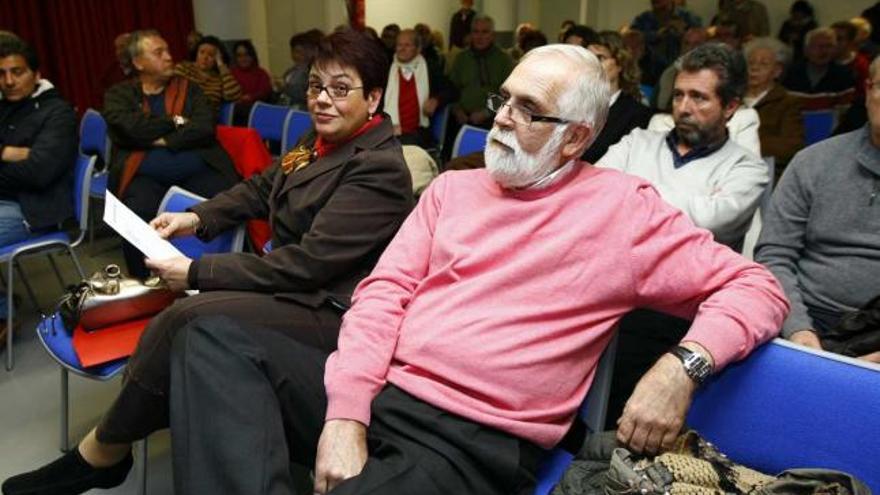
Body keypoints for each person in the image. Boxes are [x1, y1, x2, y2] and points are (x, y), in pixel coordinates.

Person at [165, 44, 788, 495]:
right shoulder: (453, 191)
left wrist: (682, 368)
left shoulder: (623, 211)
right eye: (503, 99)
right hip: (386, 390)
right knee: (209, 336)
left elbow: (756, 285)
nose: (501, 117)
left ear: (575, 138)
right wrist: (346, 413)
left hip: (474, 437)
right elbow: (382, 295)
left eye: (528, 108)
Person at [1, 29, 415, 495]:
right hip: (290, 282)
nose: (322, 100)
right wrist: (194, 218)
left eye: (340, 90)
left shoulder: (378, 167)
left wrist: (196, 272)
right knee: (186, 319)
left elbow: (308, 265)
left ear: (374, 98)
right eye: (316, 86)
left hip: (329, 309)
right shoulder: (321, 137)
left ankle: (101, 453)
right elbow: (262, 187)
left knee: (185, 313)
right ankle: (104, 451)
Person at [755, 56, 880, 364]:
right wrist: (799, 330)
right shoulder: (813, 163)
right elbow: (774, 255)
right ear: (868, 91)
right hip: (804, 316)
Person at [599, 42, 767, 249]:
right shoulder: (636, 142)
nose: (683, 108)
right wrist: (694, 203)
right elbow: (597, 191)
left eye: (698, 97)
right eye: (678, 95)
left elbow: (710, 222)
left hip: (694, 279)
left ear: (730, 107)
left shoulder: (747, 168)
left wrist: (630, 192)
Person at [102, 30, 241, 278]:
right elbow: (129, 129)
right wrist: (176, 121)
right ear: (138, 62)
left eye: (167, 51)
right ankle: (145, 284)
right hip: (144, 177)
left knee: (228, 200)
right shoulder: (119, 95)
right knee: (135, 216)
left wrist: (157, 139)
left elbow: (203, 128)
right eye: (158, 53)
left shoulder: (191, 89)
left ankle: (220, 275)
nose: (168, 57)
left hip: (198, 169)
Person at [0, 37, 77, 349]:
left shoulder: (57, 112)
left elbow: (39, 172)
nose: (8, 81)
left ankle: (2, 315)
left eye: (16, 72)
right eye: (1, 73)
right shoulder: (6, 107)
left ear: (36, 73)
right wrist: (14, 153)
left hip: (37, 209)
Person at [447, 16, 513, 152]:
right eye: (476, 32)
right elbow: (452, 89)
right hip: (462, 120)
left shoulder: (503, 59)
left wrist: (487, 112)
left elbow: (508, 93)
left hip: (493, 121)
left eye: (484, 32)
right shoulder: (461, 59)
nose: (479, 36)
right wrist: (457, 110)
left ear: (493, 35)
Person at [584, 31, 652, 163]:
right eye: (588, 58)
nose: (592, 64)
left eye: (600, 58)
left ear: (620, 64)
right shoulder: (572, 105)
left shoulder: (636, 114)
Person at [743, 37, 804, 177]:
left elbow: (792, 146)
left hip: (767, 171)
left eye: (763, 64)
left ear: (777, 71)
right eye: (750, 63)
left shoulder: (788, 102)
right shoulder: (732, 99)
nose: (754, 68)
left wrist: (745, 143)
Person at [384, 29, 441, 148]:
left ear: (418, 49)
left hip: (417, 133)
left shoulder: (430, 67)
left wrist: (436, 99)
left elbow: (451, 90)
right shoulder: (386, 68)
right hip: (390, 130)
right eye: (399, 45)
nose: (402, 49)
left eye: (407, 45)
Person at [630, 0, 702, 74]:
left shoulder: (689, 17)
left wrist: (684, 32)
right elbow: (633, 39)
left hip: (683, 69)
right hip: (650, 72)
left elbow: (700, 39)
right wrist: (656, 35)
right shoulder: (642, 19)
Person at [174, 35, 242, 111]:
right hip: (181, 115)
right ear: (196, 53)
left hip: (206, 118)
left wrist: (221, 65)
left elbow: (234, 95)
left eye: (211, 55)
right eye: (202, 52)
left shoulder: (219, 79)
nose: (205, 57)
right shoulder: (184, 68)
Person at [783, 27, 856, 97]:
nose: (824, 51)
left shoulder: (845, 75)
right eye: (819, 46)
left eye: (829, 46)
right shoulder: (791, 72)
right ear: (806, 49)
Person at [654, 26, 708, 111]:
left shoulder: (717, 74)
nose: (691, 48)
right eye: (687, 43)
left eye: (697, 44)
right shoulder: (669, 73)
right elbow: (660, 107)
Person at [280, 29, 323, 108]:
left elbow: (310, 96)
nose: (296, 55)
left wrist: (286, 88)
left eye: (299, 52)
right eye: (294, 51)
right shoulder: (290, 71)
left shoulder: (313, 72)